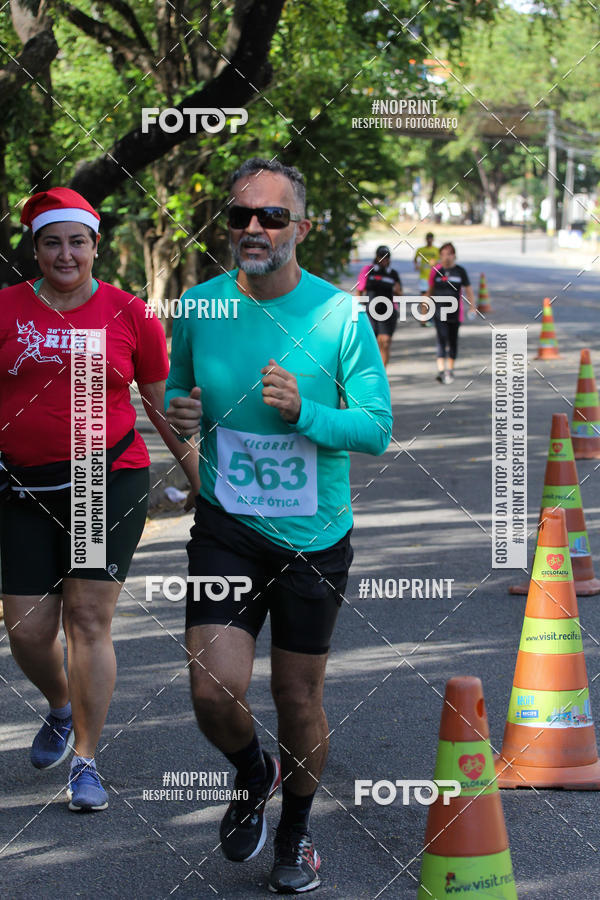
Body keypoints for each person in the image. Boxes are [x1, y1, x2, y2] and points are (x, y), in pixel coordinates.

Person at [165, 157, 392, 894]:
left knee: (297, 699)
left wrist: (307, 415)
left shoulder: (339, 316)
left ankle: (295, 833)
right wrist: (185, 417)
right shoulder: (199, 308)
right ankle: (250, 770)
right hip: (228, 523)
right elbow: (176, 393)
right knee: (211, 689)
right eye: (241, 216)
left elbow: (376, 428)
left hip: (313, 538)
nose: (254, 228)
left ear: (302, 225)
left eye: (271, 216)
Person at [0, 188, 199, 812]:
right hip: (19, 485)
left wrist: (204, 482)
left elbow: (160, 406)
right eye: (52, 242)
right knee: (28, 630)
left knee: (87, 619)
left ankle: (86, 760)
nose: (65, 254)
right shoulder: (4, 309)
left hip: (100, 480)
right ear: (35, 249)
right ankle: (61, 705)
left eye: (77, 242)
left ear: (95, 246)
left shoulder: (129, 313)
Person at [427, 241, 476, 384]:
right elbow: (429, 291)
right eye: (443, 254)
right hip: (439, 312)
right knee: (441, 339)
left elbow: (469, 290)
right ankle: (441, 370)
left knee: (452, 340)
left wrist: (472, 306)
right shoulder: (435, 271)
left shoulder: (460, 271)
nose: (446, 257)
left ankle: (450, 369)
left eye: (449, 254)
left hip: (455, 313)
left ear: (454, 255)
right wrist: (425, 308)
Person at [360, 245, 403, 368]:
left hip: (388, 311)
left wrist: (396, 290)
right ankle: (373, 371)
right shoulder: (368, 271)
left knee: (384, 342)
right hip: (370, 311)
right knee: (372, 343)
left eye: (387, 257)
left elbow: (400, 293)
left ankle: (383, 373)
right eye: (381, 257)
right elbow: (360, 290)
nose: (384, 260)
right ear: (377, 257)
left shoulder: (393, 274)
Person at [414, 232, 439, 326]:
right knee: (424, 297)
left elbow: (441, 260)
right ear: (426, 239)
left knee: (431, 298)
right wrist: (416, 265)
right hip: (423, 277)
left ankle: (429, 317)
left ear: (433, 239)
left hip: (433, 277)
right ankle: (424, 319)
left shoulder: (436, 250)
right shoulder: (420, 250)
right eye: (428, 238)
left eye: (430, 238)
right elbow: (415, 259)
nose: (429, 240)